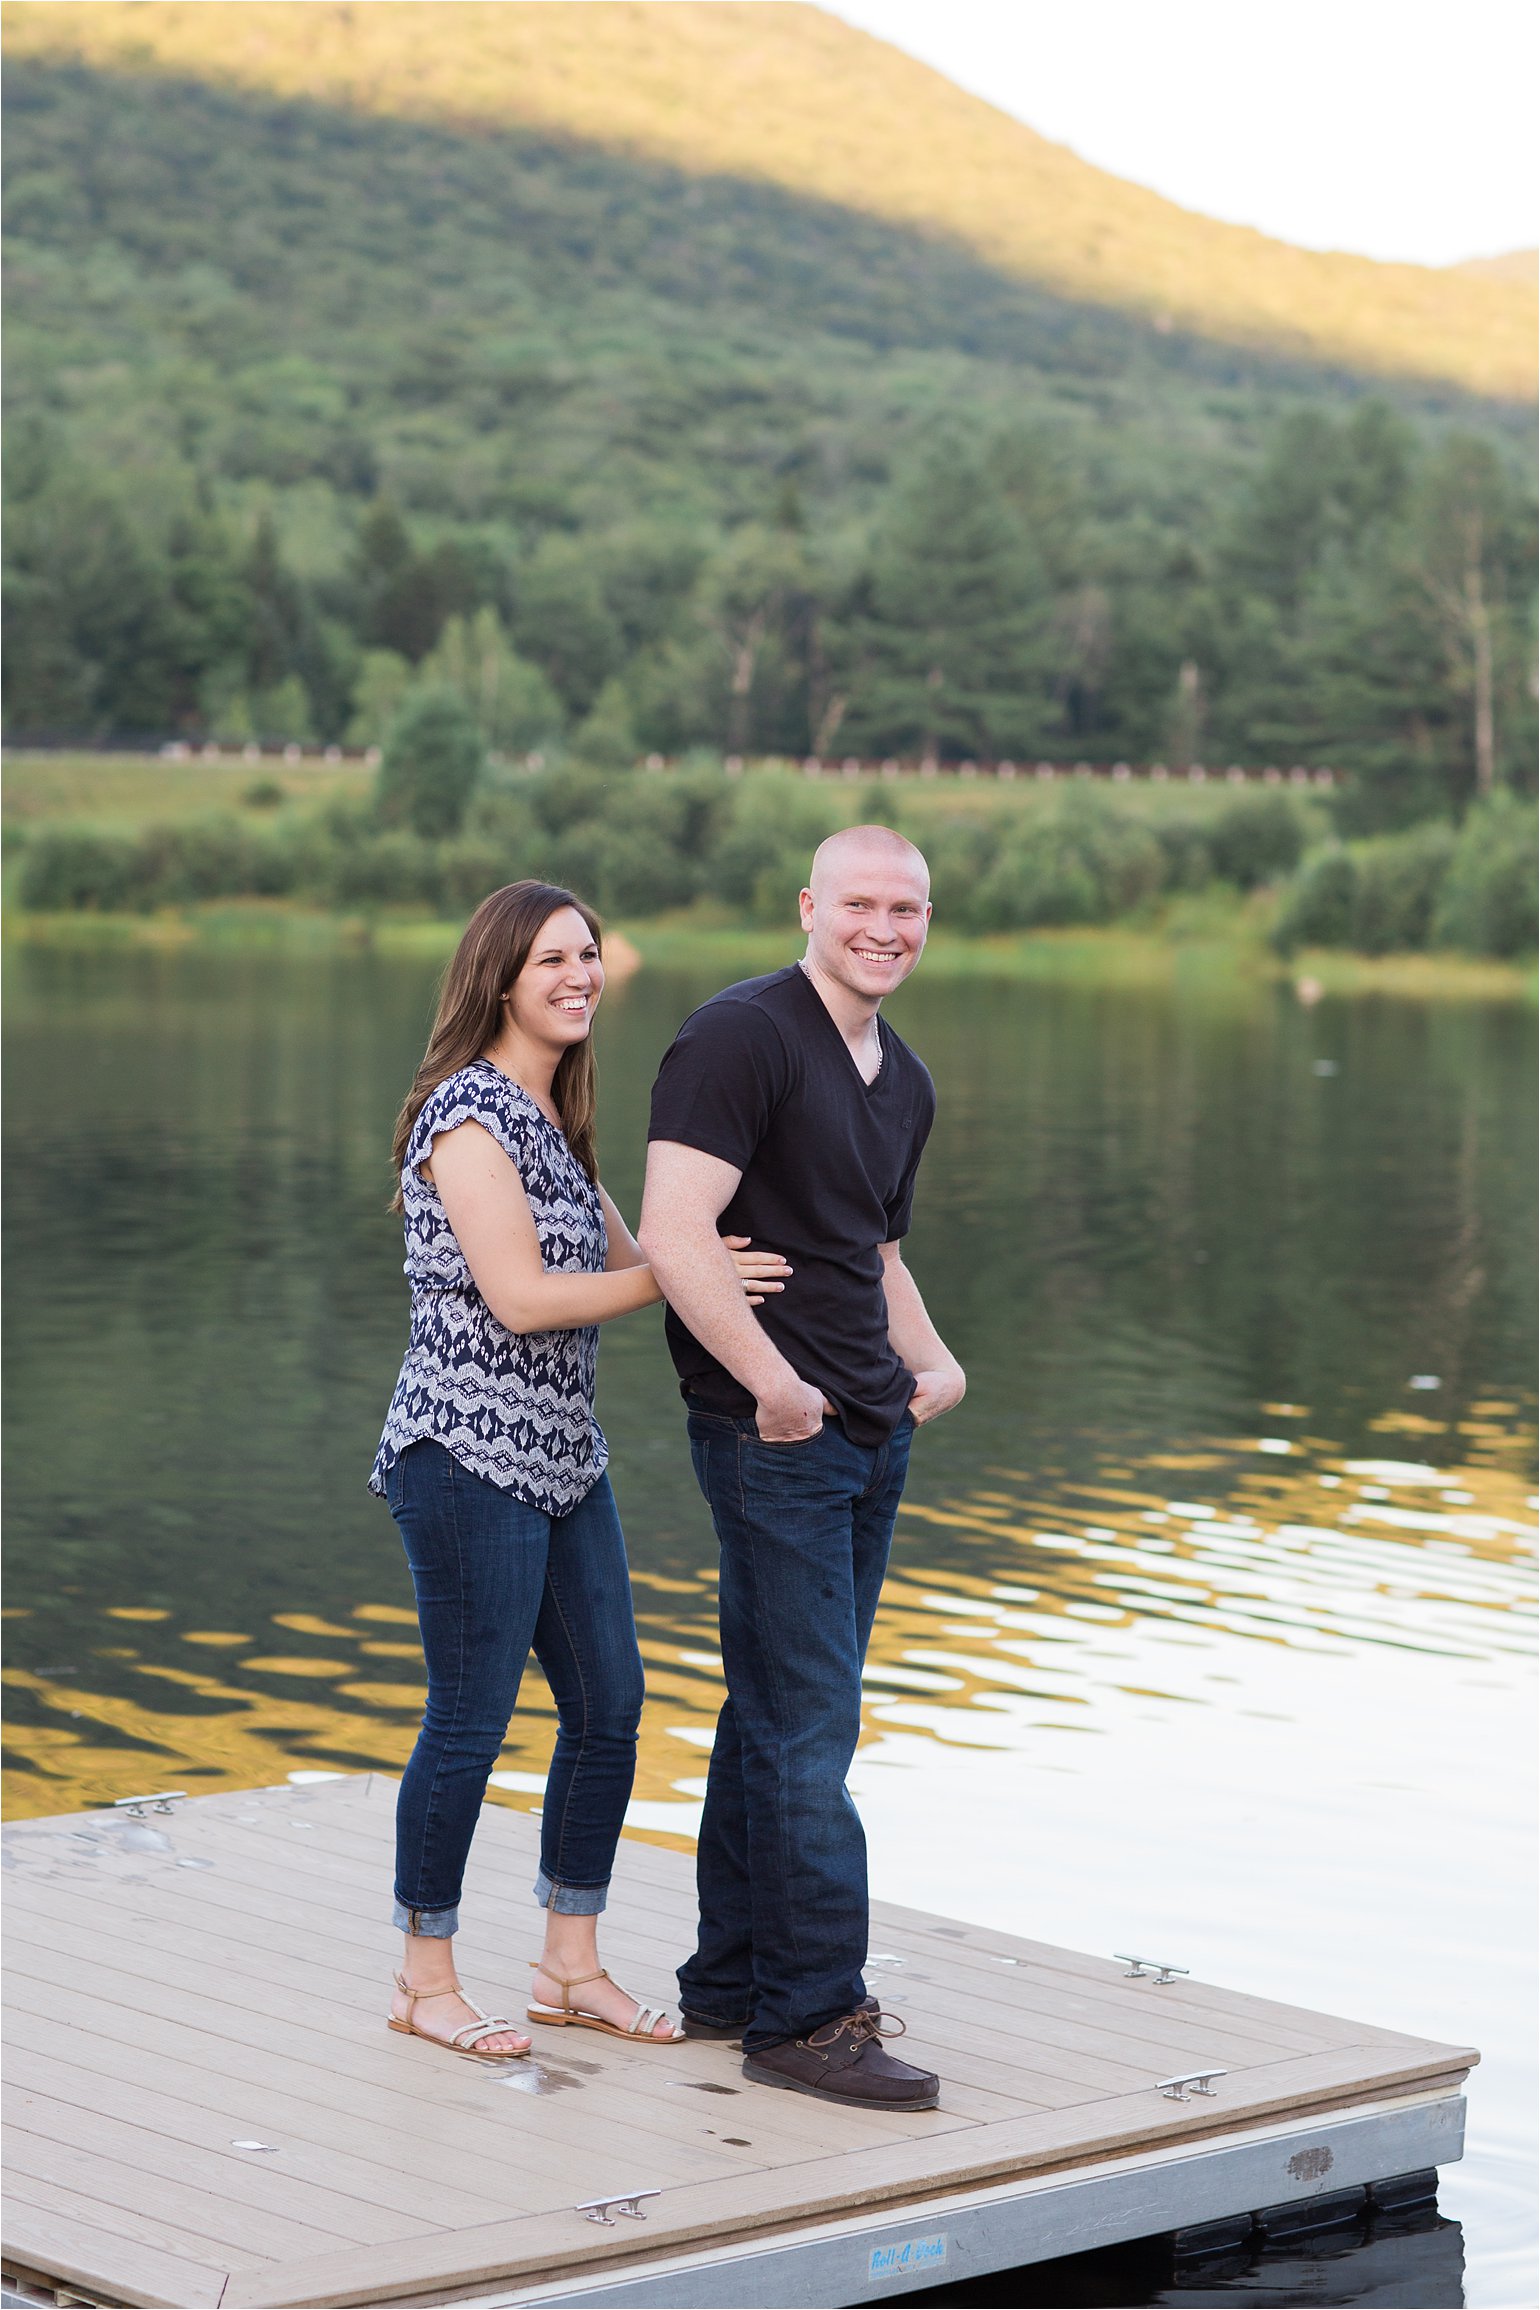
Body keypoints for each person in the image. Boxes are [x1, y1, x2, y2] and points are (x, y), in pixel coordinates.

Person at [370, 880, 790, 2062]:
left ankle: (568, 1966)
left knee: (608, 1707)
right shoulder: (466, 1115)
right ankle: (422, 1978)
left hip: (560, 1460)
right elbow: (524, 1297)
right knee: (471, 1717)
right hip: (462, 1457)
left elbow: (651, 1250)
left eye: (590, 956)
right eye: (553, 957)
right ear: (500, 975)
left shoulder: (554, 1122)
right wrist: (675, 1276)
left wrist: (728, 1262)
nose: (579, 975)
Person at [638, 825, 965, 2111]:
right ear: (809, 907)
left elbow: (870, 1255)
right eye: (862, 904)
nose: (886, 927)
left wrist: (938, 1364)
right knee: (812, 1724)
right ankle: (813, 2019)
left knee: (773, 1710)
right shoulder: (742, 1036)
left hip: (870, 1434)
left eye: (909, 907)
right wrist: (773, 1387)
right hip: (774, 1437)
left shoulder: (906, 1076)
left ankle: (733, 1985)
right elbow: (674, 1230)